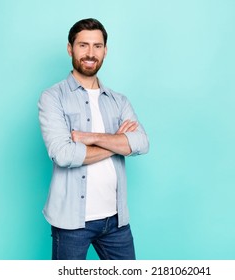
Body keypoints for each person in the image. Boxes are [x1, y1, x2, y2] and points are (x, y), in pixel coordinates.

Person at [38, 18, 149, 260]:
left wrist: (89, 138)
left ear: (105, 51)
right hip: (71, 222)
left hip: (116, 220)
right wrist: (118, 142)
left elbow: (141, 143)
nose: (90, 53)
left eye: (97, 46)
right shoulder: (53, 98)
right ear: (70, 48)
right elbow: (64, 155)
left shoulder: (118, 100)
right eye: (83, 45)